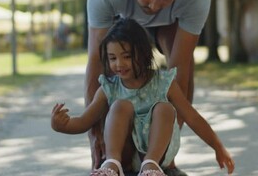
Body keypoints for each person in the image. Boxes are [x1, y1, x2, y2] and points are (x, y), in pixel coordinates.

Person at [85, 0, 211, 175]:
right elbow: (96, 63)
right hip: (122, 17)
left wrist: (168, 145)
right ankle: (116, 153)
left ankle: (157, 158)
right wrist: (95, 137)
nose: (154, 5)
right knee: (115, 64)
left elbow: (179, 69)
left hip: (169, 23)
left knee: (182, 62)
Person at [52, 18, 234, 176]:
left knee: (164, 108)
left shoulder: (163, 82)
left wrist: (218, 147)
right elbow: (85, 121)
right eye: (112, 58)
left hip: (158, 154)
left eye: (127, 56)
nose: (119, 64)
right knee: (120, 106)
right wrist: (62, 125)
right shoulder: (109, 87)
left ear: (144, 53)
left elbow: (192, 116)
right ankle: (112, 165)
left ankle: (150, 166)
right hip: (125, 153)